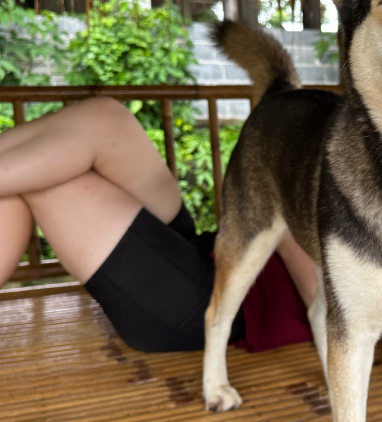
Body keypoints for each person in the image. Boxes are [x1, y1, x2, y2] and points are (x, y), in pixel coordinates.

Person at [0, 97, 317, 354]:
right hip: (210, 253)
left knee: (47, 181)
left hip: (220, 306)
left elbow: (323, 295)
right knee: (107, 117)